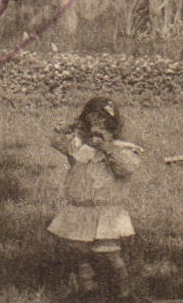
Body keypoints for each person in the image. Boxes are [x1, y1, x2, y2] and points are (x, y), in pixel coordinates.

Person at [49, 96, 142, 300]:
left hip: (105, 212)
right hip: (80, 209)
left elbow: (127, 169)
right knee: (79, 253)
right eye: (91, 128)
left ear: (113, 130)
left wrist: (108, 148)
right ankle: (87, 289)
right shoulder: (81, 149)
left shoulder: (120, 150)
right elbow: (55, 141)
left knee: (110, 254)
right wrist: (69, 127)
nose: (96, 136)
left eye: (103, 130)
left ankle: (124, 293)